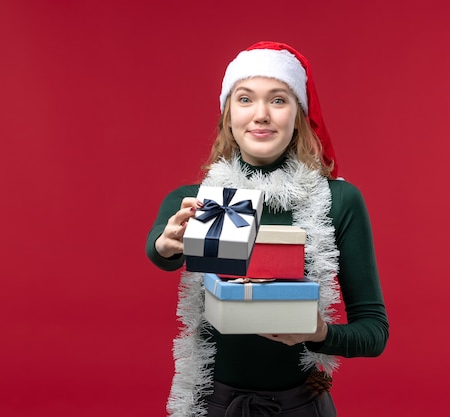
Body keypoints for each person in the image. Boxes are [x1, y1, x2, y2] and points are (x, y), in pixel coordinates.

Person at [146, 41, 388, 417]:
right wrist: (168, 243)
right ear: (228, 116)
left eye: (278, 100)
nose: (261, 115)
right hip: (212, 406)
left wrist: (319, 333)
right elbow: (160, 252)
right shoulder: (196, 201)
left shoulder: (339, 201)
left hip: (303, 407)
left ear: (299, 115)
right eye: (245, 99)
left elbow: (374, 332)